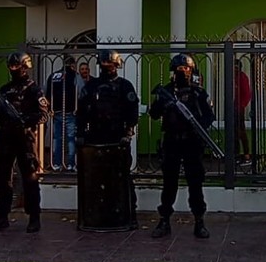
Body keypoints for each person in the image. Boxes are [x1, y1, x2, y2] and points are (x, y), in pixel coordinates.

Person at [148, 53, 216, 239]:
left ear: (191, 70)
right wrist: (164, 104)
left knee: (195, 183)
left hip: (192, 143)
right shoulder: (166, 92)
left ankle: (199, 221)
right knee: (169, 183)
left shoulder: (198, 93)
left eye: (186, 68)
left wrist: (198, 126)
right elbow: (153, 114)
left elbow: (209, 116)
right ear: (173, 70)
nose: (183, 71)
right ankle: (164, 221)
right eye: (180, 68)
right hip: (172, 142)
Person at [0, 52, 49, 234]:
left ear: (25, 67)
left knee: (30, 177)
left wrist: (25, 119)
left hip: (24, 137)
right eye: (11, 66)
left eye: (17, 66)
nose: (14, 70)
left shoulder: (34, 89)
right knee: (4, 178)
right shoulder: (4, 90)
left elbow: (43, 114)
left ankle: (34, 217)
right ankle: (2, 216)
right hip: (6, 137)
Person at [76, 49, 140, 227]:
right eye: (104, 64)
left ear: (116, 65)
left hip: (117, 137)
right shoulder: (91, 86)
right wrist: (80, 134)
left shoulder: (124, 86)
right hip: (95, 137)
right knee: (95, 178)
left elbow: (132, 112)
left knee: (123, 178)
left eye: (110, 64)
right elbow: (81, 112)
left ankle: (130, 215)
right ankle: (97, 215)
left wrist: (128, 132)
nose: (107, 67)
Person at [45, 54, 84, 172]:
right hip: (70, 111)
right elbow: (81, 92)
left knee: (57, 139)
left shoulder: (53, 76)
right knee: (71, 139)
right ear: (73, 64)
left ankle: (57, 164)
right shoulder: (75, 76)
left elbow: (46, 93)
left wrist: (50, 108)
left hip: (56, 112)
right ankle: (71, 164)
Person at [234, 60, 252, 167]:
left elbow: (247, 94)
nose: (235, 68)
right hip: (233, 106)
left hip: (239, 108)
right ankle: (236, 156)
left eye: (236, 66)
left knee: (240, 132)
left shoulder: (242, 77)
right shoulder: (232, 77)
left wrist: (241, 106)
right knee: (234, 132)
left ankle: (245, 155)